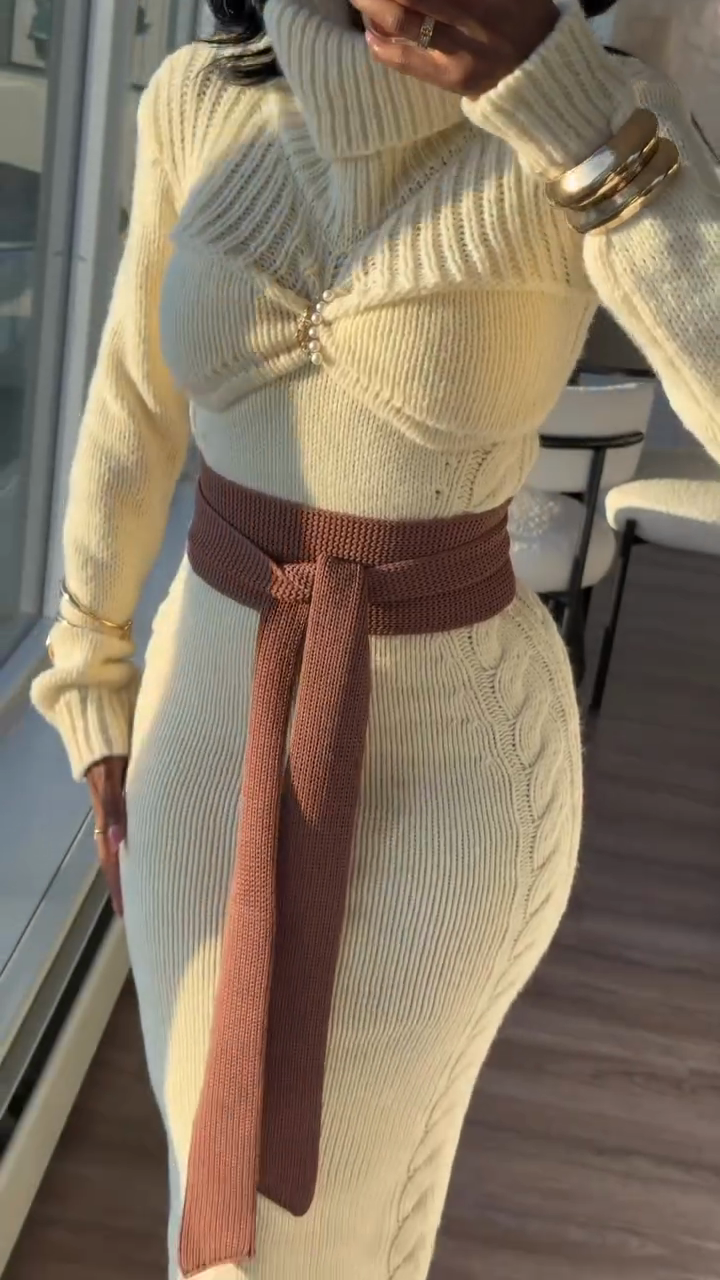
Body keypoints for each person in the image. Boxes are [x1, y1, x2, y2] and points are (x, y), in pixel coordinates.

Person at [32, 0, 719, 1275]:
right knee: (208, 1191)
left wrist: (565, 107)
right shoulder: (199, 97)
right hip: (200, 717)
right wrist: (88, 663)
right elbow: (132, 404)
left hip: (448, 757)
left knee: (336, 1221)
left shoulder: (601, 112)